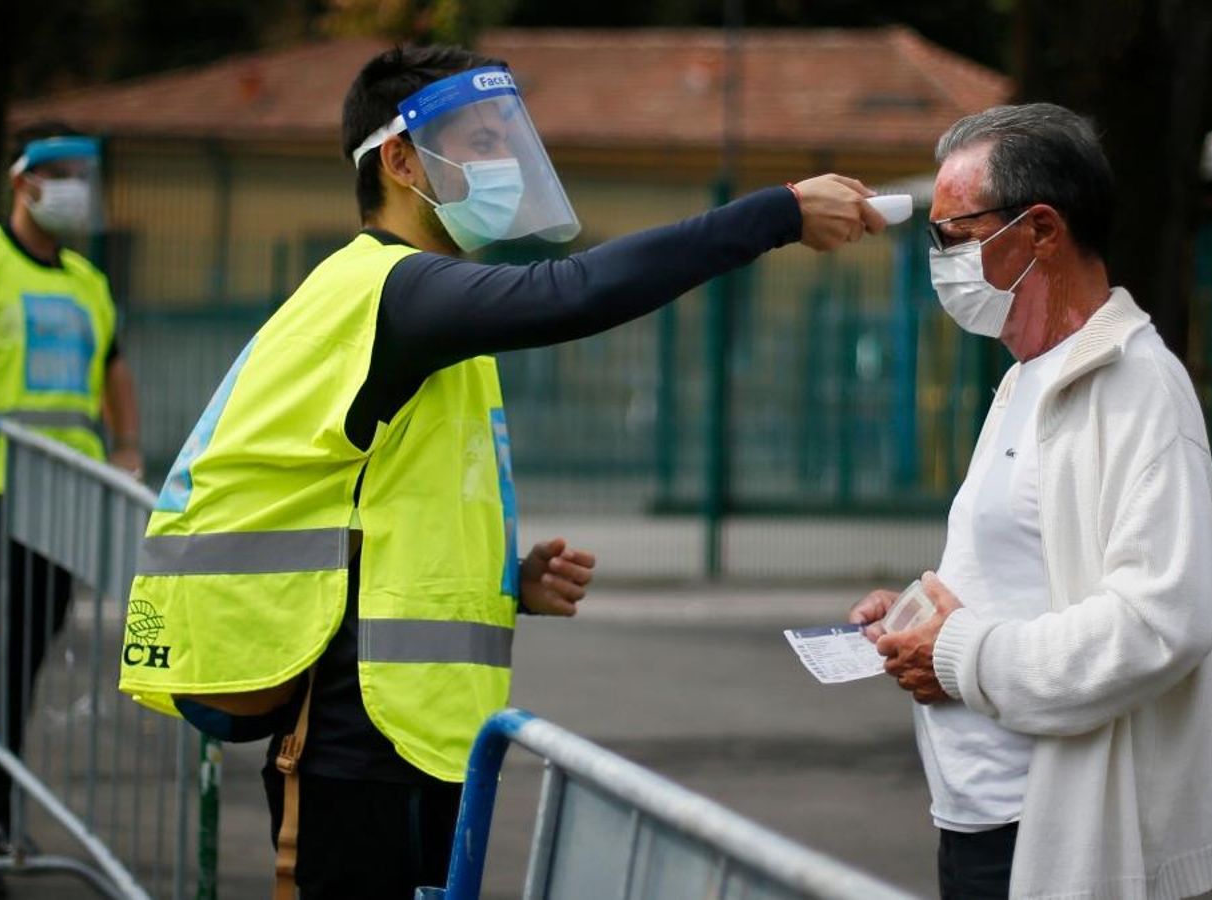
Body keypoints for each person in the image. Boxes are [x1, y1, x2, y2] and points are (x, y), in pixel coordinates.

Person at [118, 44, 884, 900]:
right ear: (400, 160)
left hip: (420, 731)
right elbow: (575, 291)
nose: (504, 161)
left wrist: (504, 584)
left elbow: (371, 509)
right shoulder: (389, 292)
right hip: (351, 735)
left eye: (504, 136)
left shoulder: (428, 307)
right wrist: (774, 215)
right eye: (478, 140)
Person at [849, 103, 1212, 899]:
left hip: (1055, 834)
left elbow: (1161, 622)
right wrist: (915, 617)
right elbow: (1018, 571)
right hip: (977, 821)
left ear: (1042, 230)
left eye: (954, 233)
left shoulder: (1138, 387)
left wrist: (957, 653)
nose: (939, 256)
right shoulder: (1025, 378)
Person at [0, 122, 142, 893]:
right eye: (63, 172)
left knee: (19, 665)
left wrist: (127, 449)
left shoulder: (87, 281)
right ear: (23, 181)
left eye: (86, 173)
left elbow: (114, 368)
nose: (78, 187)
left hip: (55, 507)